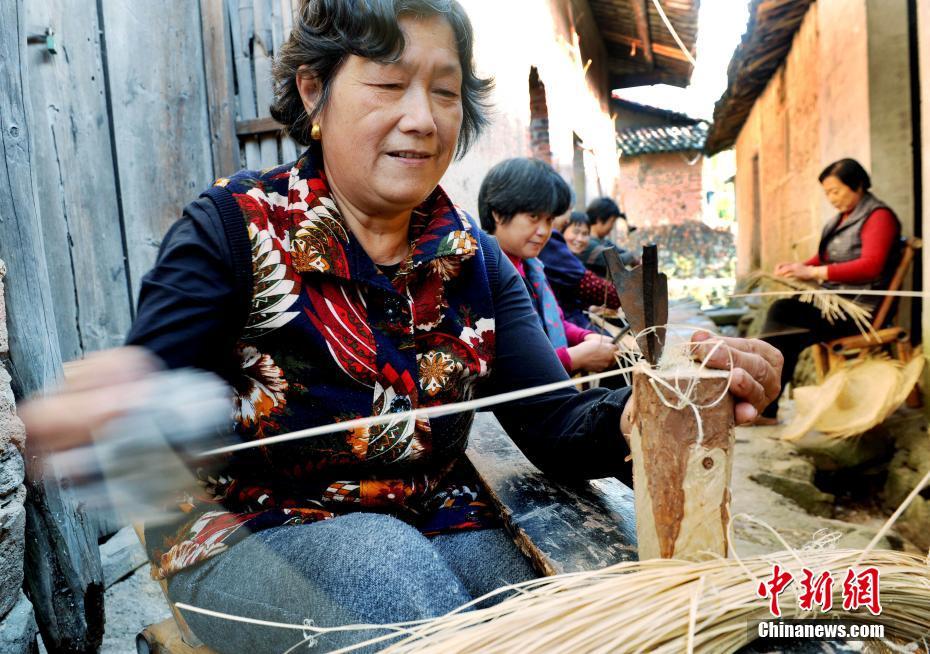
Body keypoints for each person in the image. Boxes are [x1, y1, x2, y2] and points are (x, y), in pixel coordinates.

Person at [19, 2, 782, 652]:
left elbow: (553, 424)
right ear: (315, 91)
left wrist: (664, 402)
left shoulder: (475, 260)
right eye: (388, 84)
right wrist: (121, 405)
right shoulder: (230, 230)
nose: (422, 119)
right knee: (394, 580)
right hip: (251, 531)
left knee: (551, 607)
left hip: (433, 512)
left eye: (444, 92)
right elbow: (148, 394)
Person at [759, 158, 902, 421]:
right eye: (827, 193)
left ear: (857, 185)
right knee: (785, 324)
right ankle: (764, 406)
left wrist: (814, 273)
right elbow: (824, 258)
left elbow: (871, 267)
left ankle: (764, 406)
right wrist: (799, 267)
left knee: (784, 315)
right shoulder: (840, 220)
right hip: (834, 305)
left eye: (835, 191)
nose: (831, 198)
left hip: (858, 312)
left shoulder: (879, 217)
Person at [478, 158, 619, 373]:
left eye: (549, 219)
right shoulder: (485, 274)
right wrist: (573, 358)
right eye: (533, 217)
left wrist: (585, 336)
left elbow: (554, 321)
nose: (544, 231)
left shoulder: (532, 267)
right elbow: (505, 368)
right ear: (498, 213)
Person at [538, 210, 621, 330]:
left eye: (585, 234)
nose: (580, 239)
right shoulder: (553, 248)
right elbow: (586, 282)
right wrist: (621, 296)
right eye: (575, 232)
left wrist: (590, 307)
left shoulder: (572, 256)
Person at [580, 196, 637, 275]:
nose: (612, 227)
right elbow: (616, 261)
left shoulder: (605, 242)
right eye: (612, 221)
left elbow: (622, 252)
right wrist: (631, 256)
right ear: (599, 220)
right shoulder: (587, 243)